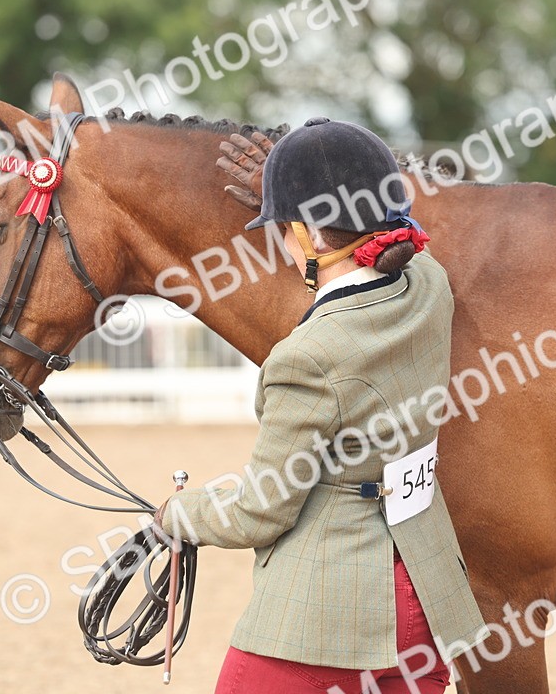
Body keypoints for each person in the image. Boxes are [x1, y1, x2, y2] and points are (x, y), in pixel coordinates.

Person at [156, 117, 489, 694]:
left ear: (309, 234)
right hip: (424, 610)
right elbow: (409, 242)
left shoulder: (306, 357)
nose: (281, 241)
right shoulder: (430, 290)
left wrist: (179, 514)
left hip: (325, 620)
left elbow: (261, 509)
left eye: (284, 227)